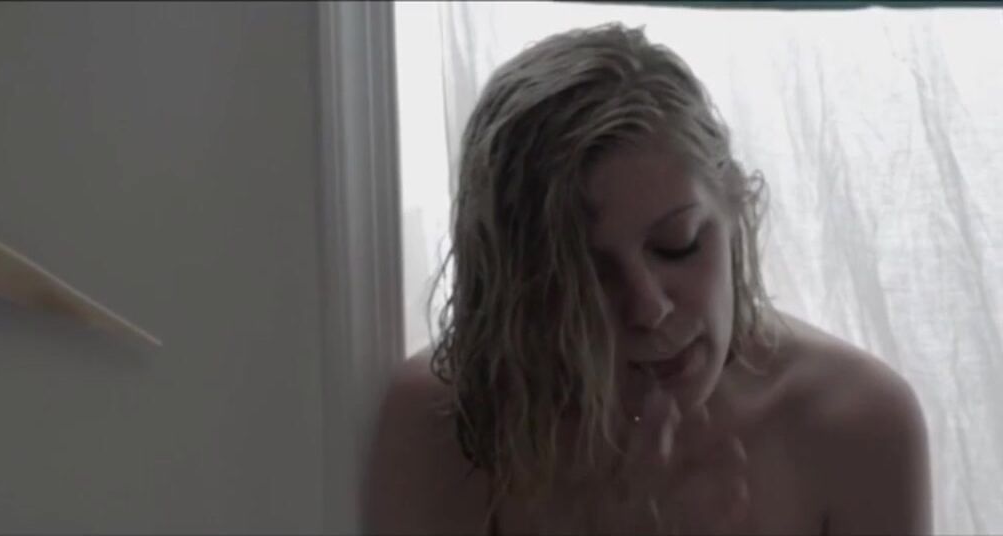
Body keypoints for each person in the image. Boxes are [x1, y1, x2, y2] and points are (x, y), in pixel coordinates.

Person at [363, 23, 931, 535]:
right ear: (519, 288)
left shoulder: (855, 423)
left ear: (735, 210)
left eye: (677, 245)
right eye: (590, 275)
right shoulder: (446, 422)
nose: (648, 307)